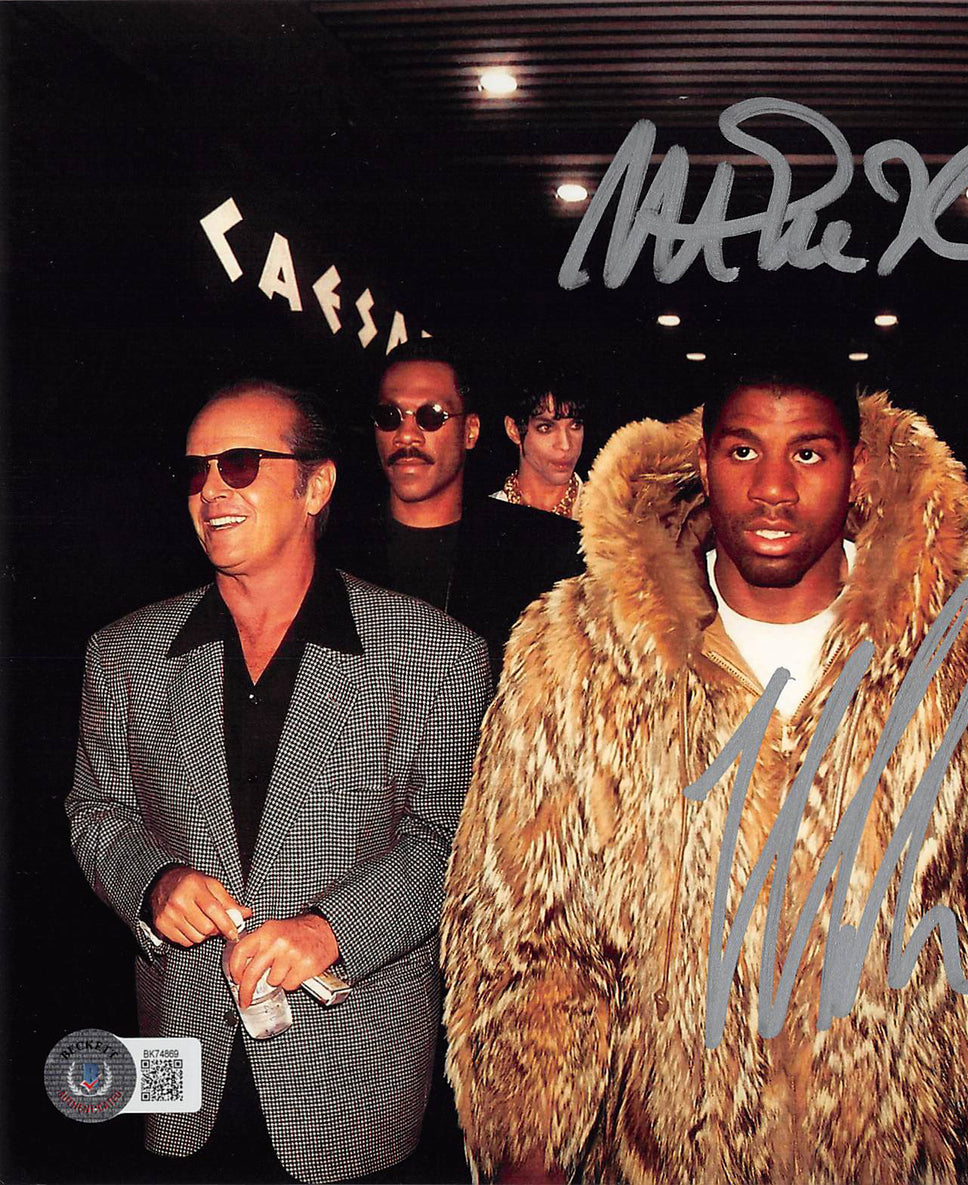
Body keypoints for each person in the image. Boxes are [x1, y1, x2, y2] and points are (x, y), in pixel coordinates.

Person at [442, 371, 968, 1184]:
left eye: (809, 453)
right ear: (704, 461)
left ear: (856, 468)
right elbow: (533, 918)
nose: (773, 487)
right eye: (743, 450)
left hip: (900, 1143)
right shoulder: (584, 653)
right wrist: (529, 1138)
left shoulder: (965, 647)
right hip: (670, 1148)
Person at [67, 380, 491, 1184]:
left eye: (238, 464)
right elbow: (96, 810)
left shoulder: (436, 654)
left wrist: (332, 931)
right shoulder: (124, 652)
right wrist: (153, 882)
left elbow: (451, 838)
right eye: (195, 471)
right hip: (178, 1065)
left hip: (354, 1078)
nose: (211, 490)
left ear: (316, 485)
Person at [328, 339, 583, 675]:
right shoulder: (331, 549)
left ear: (470, 431)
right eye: (390, 417)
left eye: (430, 417)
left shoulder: (548, 552)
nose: (406, 436)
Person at [490, 381, 587, 519]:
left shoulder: (609, 517)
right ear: (513, 430)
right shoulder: (485, 517)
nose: (565, 445)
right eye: (546, 428)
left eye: (575, 425)